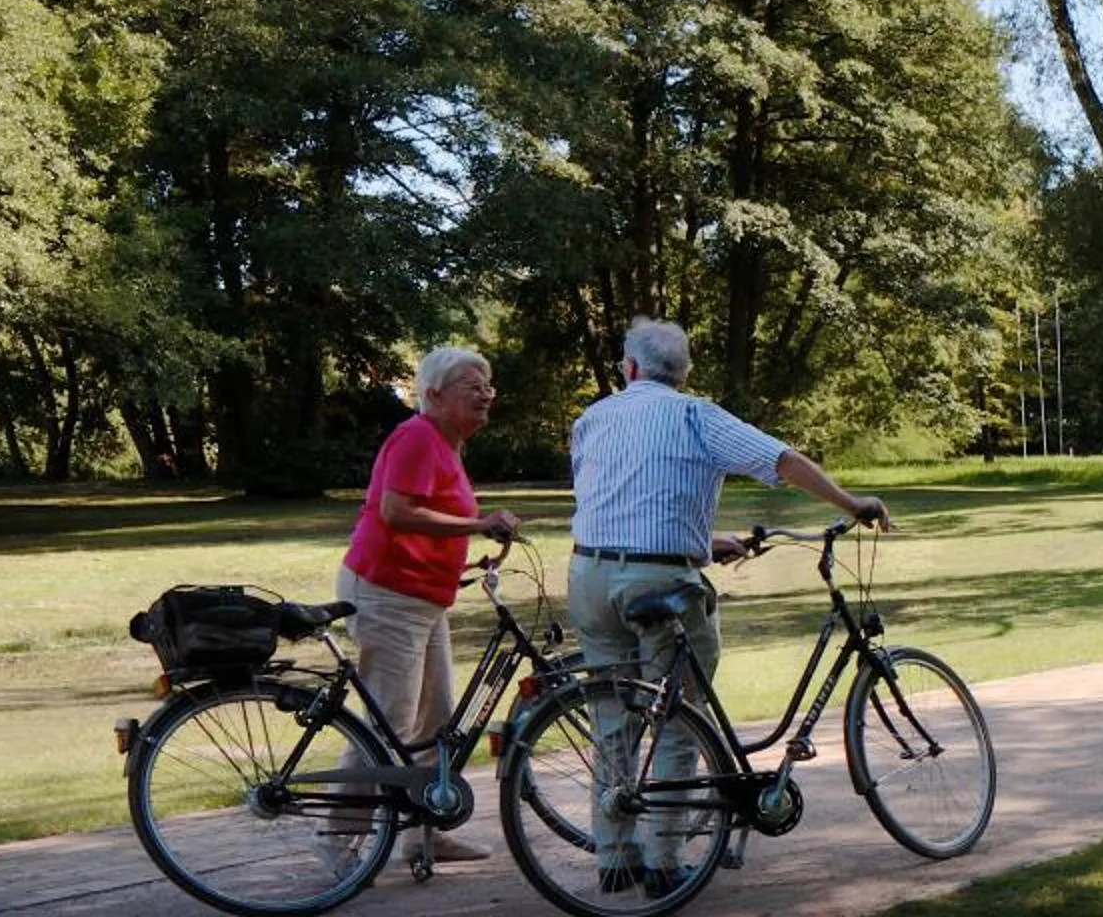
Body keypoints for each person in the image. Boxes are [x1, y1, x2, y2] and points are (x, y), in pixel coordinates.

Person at [566, 317, 887, 899]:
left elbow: (614, 498)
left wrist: (698, 541)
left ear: (631, 369)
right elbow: (782, 460)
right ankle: (664, 863)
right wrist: (851, 502)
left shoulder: (592, 418)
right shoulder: (695, 415)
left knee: (612, 717)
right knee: (677, 716)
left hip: (589, 573)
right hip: (659, 579)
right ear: (683, 373)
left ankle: (614, 859)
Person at [331, 347, 524, 866]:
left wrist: (470, 551)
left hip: (420, 598)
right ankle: (337, 842)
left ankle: (424, 834)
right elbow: (397, 511)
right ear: (434, 395)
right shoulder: (417, 436)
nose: (485, 394)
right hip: (387, 593)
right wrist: (478, 523)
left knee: (435, 718)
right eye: (472, 386)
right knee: (388, 720)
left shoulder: (445, 443)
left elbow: (430, 516)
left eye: (488, 385)